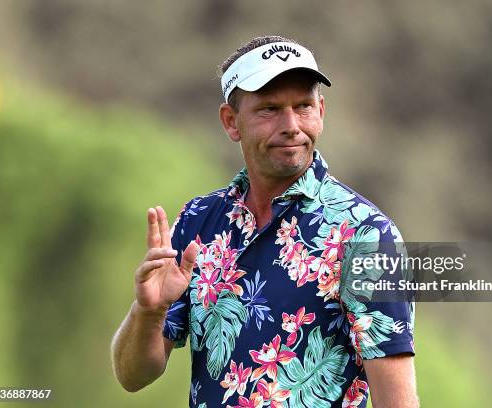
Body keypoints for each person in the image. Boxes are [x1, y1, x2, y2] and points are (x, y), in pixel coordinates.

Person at [111, 35, 418, 408]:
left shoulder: (367, 234)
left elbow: (398, 402)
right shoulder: (198, 220)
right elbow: (132, 376)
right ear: (231, 121)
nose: (291, 125)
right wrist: (150, 311)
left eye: (303, 106)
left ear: (321, 111)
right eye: (269, 109)